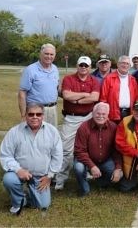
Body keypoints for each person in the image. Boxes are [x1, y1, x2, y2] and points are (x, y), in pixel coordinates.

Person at [0, 103, 62, 215]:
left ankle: (28, 195)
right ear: (25, 115)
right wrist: (18, 170)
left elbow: (58, 156)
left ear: (43, 116)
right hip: (19, 173)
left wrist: (50, 176)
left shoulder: (52, 131)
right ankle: (19, 202)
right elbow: (5, 155)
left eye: (38, 114)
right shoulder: (14, 132)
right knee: (9, 179)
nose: (35, 117)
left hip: (41, 176)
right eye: (31, 114)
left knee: (43, 205)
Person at [54, 56, 100, 190]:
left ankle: (87, 172)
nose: (83, 68)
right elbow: (67, 95)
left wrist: (78, 100)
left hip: (89, 117)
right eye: (81, 65)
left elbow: (95, 97)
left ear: (90, 67)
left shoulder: (94, 80)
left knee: (90, 147)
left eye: (86, 66)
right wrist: (86, 95)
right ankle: (60, 178)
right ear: (77, 66)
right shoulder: (69, 79)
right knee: (66, 150)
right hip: (71, 117)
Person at [73, 102, 123, 196]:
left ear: (108, 115)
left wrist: (118, 168)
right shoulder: (83, 127)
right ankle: (84, 188)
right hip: (86, 160)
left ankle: (101, 182)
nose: (100, 116)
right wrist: (92, 166)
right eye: (98, 113)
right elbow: (79, 151)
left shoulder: (113, 127)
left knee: (118, 173)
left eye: (103, 114)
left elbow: (117, 150)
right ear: (93, 113)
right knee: (79, 168)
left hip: (105, 160)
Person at [18, 43, 59, 127]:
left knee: (51, 135)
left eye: (51, 54)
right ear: (40, 54)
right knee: (35, 135)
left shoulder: (55, 69)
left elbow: (57, 88)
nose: (49, 56)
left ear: (55, 56)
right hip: (36, 111)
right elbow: (22, 93)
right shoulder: (30, 70)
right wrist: (23, 115)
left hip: (52, 109)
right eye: (46, 54)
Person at [99, 55, 138, 123]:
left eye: (127, 64)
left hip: (129, 114)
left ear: (130, 66)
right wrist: (104, 114)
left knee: (127, 133)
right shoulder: (109, 78)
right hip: (113, 115)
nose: (125, 65)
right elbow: (103, 99)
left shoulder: (132, 80)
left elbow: (137, 98)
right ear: (118, 64)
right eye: (123, 63)